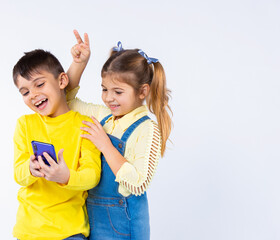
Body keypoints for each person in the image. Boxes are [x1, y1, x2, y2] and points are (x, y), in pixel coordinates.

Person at [68, 36, 172, 240]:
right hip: (92, 217)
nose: (108, 97)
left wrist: (106, 146)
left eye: (118, 91)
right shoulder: (103, 115)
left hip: (123, 225)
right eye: (104, 89)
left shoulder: (147, 129)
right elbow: (66, 101)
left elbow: (138, 184)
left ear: (142, 91)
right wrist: (79, 64)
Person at [12, 37, 101, 240]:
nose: (33, 95)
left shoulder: (85, 124)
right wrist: (30, 169)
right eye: (25, 92)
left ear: (62, 81)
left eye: (39, 84)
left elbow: (92, 175)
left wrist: (66, 176)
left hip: (69, 231)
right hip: (29, 230)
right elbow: (18, 174)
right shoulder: (25, 124)